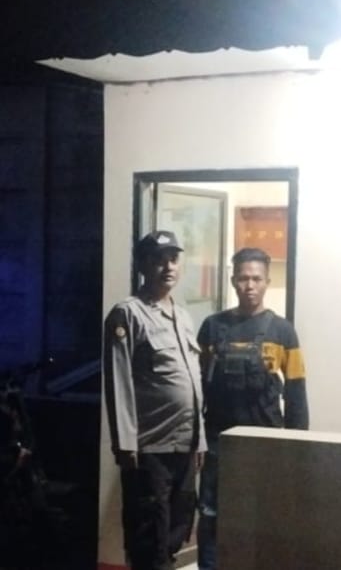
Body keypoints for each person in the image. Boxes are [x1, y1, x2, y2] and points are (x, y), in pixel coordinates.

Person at [196, 247, 309, 570]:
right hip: (218, 441)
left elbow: (297, 392)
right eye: (243, 278)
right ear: (233, 281)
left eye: (256, 279)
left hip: (267, 441)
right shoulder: (212, 327)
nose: (250, 285)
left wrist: (297, 446)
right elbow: (197, 388)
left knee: (266, 516)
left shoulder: (283, 331)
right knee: (211, 514)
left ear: (267, 282)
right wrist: (196, 440)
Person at [103, 230, 207, 570]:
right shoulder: (127, 314)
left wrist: (200, 440)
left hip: (185, 447)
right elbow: (118, 381)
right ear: (143, 266)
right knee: (150, 534)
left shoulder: (183, 316)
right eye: (158, 260)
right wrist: (125, 444)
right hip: (151, 448)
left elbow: (193, 383)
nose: (168, 267)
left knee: (177, 529)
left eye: (173, 259)